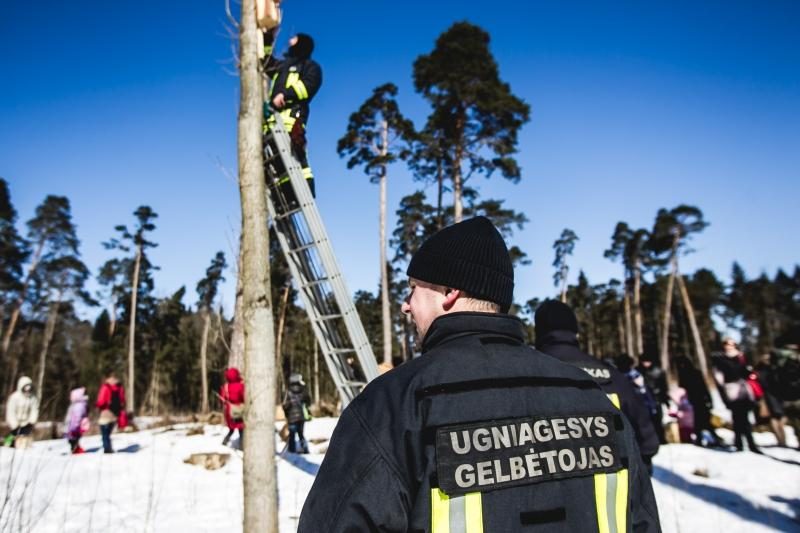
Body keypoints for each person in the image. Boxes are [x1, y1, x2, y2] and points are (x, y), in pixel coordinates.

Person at [298, 217, 660, 532]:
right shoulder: (590, 394)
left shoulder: (395, 404)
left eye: (413, 290)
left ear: (450, 291)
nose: (406, 305)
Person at [534, 300, 660, 474]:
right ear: (575, 333)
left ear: (538, 333)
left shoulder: (526, 376)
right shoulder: (612, 375)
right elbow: (648, 439)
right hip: (616, 491)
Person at [261, 29, 322, 206]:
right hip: (272, 124)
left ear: (301, 43)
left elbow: (309, 86)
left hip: (291, 120)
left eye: (294, 39)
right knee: (279, 167)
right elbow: (266, 63)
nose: (289, 41)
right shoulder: (282, 67)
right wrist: (266, 39)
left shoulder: (309, 67)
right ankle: (284, 199)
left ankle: (304, 194)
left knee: (296, 161)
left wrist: (285, 95)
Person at [712, 339, 760, 453]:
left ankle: (751, 443)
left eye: (732, 344)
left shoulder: (741, 357)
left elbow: (748, 372)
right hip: (731, 389)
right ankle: (739, 443)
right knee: (737, 417)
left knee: (746, 418)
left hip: (744, 389)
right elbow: (719, 379)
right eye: (727, 344)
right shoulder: (720, 360)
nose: (730, 346)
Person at [675, 356, 724, 448]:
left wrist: (709, 399)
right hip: (695, 401)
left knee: (702, 421)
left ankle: (707, 439)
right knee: (701, 422)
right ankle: (705, 439)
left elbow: (703, 387)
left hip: (698, 400)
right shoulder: (686, 374)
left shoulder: (689, 373)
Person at [754, 354, 786, 446]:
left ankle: (782, 440)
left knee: (779, 417)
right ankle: (780, 440)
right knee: (774, 417)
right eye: (765, 358)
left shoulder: (775, 368)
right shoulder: (760, 370)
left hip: (777, 395)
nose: (767, 360)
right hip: (768, 396)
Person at [637, 354, 669, 444]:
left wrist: (666, 400)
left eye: (647, 361)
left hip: (656, 399)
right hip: (643, 400)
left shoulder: (658, 372)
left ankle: (661, 438)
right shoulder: (638, 371)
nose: (646, 364)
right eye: (644, 361)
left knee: (658, 419)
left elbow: (664, 387)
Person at [4, 376, 39, 449]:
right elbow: (11, 411)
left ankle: (23, 449)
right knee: (11, 437)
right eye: (25, 388)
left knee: (24, 440)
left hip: (26, 423)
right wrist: (14, 424)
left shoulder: (32, 398)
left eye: (29, 388)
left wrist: (31, 421)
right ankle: (6, 447)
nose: (27, 391)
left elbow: (34, 410)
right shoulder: (14, 397)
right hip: (14, 424)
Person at [96, 373, 126, 454]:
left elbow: (101, 401)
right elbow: (122, 400)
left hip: (106, 412)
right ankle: (108, 448)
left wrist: (98, 405)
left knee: (104, 433)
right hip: (115, 413)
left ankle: (107, 449)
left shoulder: (105, 387)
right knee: (108, 433)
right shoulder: (120, 387)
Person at [282, 373, 311, 454]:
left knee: (292, 435)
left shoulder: (288, 392)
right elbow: (308, 402)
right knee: (301, 434)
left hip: (292, 417)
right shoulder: (303, 390)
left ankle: (292, 451)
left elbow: (284, 405)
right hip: (301, 416)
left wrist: (286, 413)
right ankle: (305, 448)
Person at [220, 367, 245, 447]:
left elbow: (222, 399)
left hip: (229, 411)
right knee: (241, 429)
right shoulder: (241, 386)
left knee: (232, 428)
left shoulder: (225, 387)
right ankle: (241, 446)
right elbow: (244, 397)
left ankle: (225, 441)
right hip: (239, 410)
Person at [64, 387, 90, 454]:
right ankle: (75, 449)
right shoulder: (76, 404)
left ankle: (75, 449)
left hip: (74, 427)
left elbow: (77, 417)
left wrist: (75, 426)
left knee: (73, 439)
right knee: (72, 439)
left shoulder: (79, 405)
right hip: (72, 426)